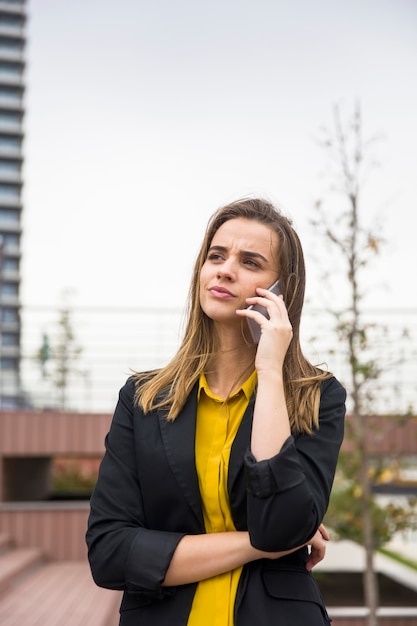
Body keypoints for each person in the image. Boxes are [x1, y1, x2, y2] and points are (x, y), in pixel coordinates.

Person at [86, 197, 346, 626]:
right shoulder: (143, 398)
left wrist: (270, 370)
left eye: (250, 262)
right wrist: (259, 543)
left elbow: (281, 523)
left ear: (282, 290)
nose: (225, 269)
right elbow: (110, 553)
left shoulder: (318, 397)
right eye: (216, 256)